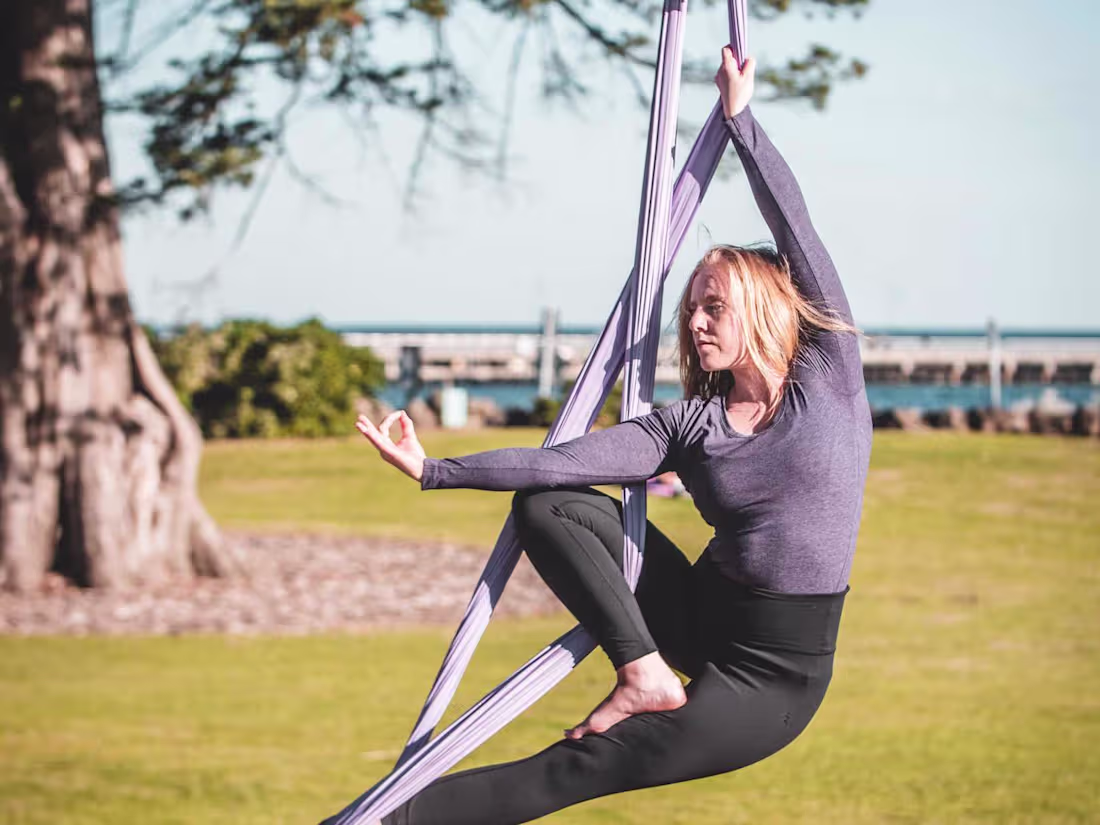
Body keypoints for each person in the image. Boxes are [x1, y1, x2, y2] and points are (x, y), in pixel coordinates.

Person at [352, 46, 871, 825]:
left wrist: (741, 121)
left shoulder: (832, 372)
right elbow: (558, 463)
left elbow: (793, 224)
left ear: (764, 306)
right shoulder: (691, 424)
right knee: (549, 502)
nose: (693, 322)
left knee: (584, 763)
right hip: (699, 613)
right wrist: (434, 468)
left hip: (775, 675)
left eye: (712, 306)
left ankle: (384, 821)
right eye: (690, 307)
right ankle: (642, 666)